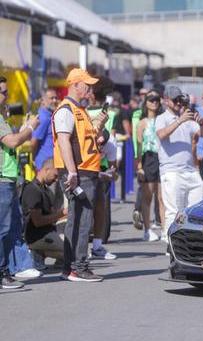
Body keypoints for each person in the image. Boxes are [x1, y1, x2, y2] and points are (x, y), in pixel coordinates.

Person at [53, 68, 109, 282]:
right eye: (85, 83)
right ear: (75, 85)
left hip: (84, 170)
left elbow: (83, 140)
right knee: (82, 219)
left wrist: (99, 129)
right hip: (79, 172)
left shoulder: (79, 109)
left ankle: (71, 267)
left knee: (77, 219)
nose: (89, 87)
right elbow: (64, 141)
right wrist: (72, 172)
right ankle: (78, 267)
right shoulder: (66, 109)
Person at [0, 76, 41, 289]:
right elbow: (13, 141)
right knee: (3, 229)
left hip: (7, 177)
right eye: (4, 92)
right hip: (2, 179)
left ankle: (11, 268)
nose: (7, 96)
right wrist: (30, 128)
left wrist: (23, 127)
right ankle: (2, 272)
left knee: (10, 226)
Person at [156, 86, 203, 242]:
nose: (179, 102)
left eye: (181, 99)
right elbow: (162, 134)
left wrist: (202, 123)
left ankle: (192, 241)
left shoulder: (187, 118)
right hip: (171, 171)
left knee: (195, 209)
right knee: (173, 210)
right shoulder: (162, 118)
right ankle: (171, 244)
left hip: (191, 170)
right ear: (166, 101)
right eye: (175, 99)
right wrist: (179, 120)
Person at [86, 76, 117, 261]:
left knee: (97, 207)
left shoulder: (108, 114)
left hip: (99, 163)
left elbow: (109, 139)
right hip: (94, 164)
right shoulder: (82, 111)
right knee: (98, 208)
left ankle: (96, 246)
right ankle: (93, 245)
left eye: (90, 90)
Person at [21, 158, 66, 268]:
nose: (56, 180)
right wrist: (61, 214)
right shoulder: (33, 190)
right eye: (55, 176)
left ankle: (44, 255)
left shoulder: (47, 190)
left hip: (48, 232)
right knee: (73, 255)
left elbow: (52, 217)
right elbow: (37, 222)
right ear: (47, 170)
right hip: (36, 236)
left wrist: (67, 215)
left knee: (75, 249)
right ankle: (38, 253)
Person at [135, 90, 163, 241]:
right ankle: (147, 229)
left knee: (162, 196)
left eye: (157, 100)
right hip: (149, 158)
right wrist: (139, 166)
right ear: (146, 103)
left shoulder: (163, 120)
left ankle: (164, 229)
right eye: (151, 100)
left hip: (163, 157)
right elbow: (139, 146)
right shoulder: (142, 123)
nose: (154, 102)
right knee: (148, 195)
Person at [31, 89, 59, 171]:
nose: (55, 101)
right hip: (45, 166)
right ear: (43, 101)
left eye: (56, 98)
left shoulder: (49, 115)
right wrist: (33, 160)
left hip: (51, 163)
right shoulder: (44, 118)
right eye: (51, 98)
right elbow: (33, 142)